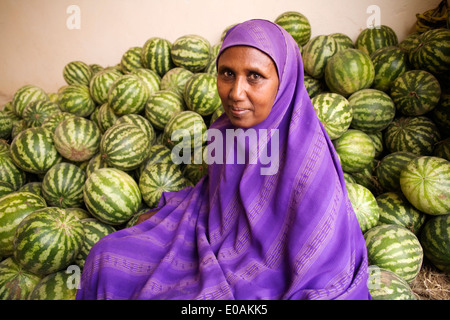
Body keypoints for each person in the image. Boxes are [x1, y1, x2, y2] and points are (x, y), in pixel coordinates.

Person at [76, 19, 371, 300]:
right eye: (227, 73)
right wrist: (173, 215)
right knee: (106, 255)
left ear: (285, 82)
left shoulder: (309, 163)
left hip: (264, 276)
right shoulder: (225, 131)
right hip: (216, 240)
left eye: (255, 76)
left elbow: (325, 265)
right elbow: (217, 197)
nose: (235, 93)